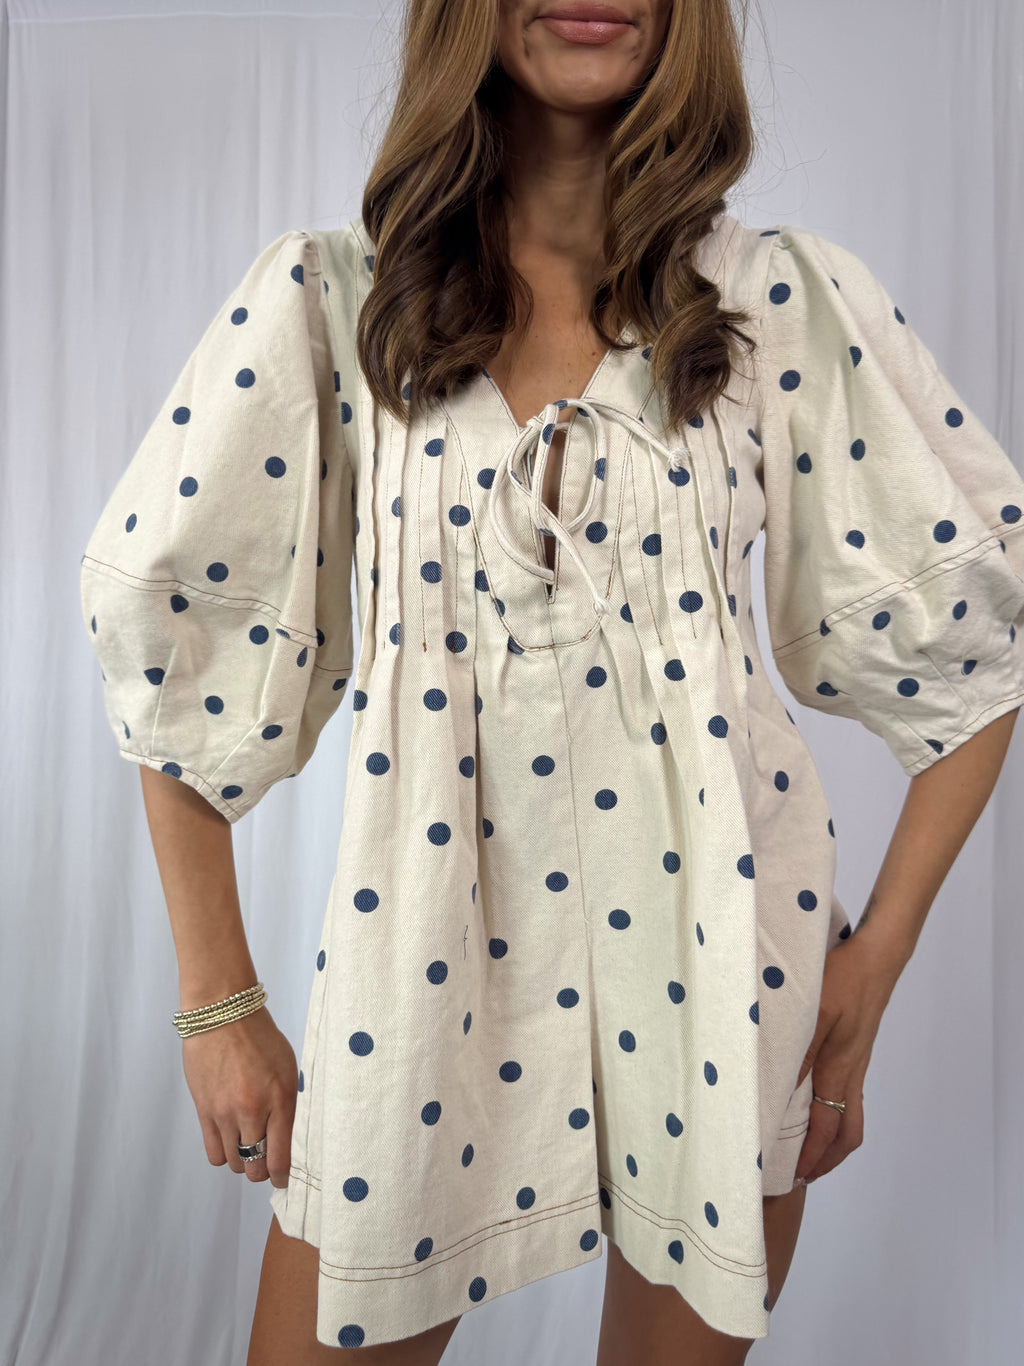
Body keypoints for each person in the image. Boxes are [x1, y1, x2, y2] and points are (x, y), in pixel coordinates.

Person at [79, 1, 1024, 1363]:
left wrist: (872, 964)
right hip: (420, 979)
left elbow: (976, 644)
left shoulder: (776, 303)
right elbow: (180, 646)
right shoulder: (335, 305)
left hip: (720, 974)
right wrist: (218, 998)